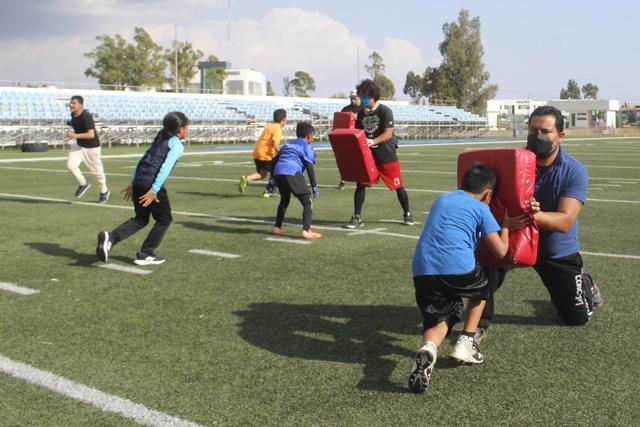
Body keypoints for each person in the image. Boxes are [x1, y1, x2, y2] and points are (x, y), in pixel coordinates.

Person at [476, 105, 603, 344]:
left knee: (577, 318)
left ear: (560, 136)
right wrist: (503, 222)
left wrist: (536, 215)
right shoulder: (512, 162)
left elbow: (565, 221)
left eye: (545, 131)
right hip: (513, 235)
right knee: (485, 263)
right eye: (533, 130)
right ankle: (477, 326)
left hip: (554, 248)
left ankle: (585, 281)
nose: (538, 136)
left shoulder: (573, 171)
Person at [408, 163, 516, 394]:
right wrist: (505, 227)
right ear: (488, 194)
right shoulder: (482, 209)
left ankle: (429, 348)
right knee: (483, 288)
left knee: (439, 318)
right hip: (457, 266)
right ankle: (466, 341)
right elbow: (500, 251)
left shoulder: (442, 200)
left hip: (423, 268)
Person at [96, 112, 188, 266]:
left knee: (141, 218)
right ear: (180, 129)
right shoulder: (176, 144)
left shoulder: (160, 139)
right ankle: (145, 253)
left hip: (140, 181)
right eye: (187, 127)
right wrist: (154, 190)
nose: (188, 131)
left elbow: (143, 159)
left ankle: (111, 238)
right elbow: (164, 169)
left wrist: (134, 182)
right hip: (151, 185)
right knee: (164, 219)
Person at [342, 79, 415, 228]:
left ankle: (407, 214)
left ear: (372, 96)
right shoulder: (361, 113)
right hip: (368, 156)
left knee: (398, 185)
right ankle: (356, 216)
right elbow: (358, 132)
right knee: (360, 184)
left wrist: (372, 141)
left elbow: (388, 134)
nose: (361, 98)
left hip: (385, 155)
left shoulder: (385, 111)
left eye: (363, 95)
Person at [270, 122, 322, 240]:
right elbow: (309, 166)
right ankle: (306, 230)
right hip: (292, 172)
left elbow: (274, 161)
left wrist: (272, 180)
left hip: (279, 172)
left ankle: (277, 227)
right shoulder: (306, 146)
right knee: (307, 202)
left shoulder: (288, 145)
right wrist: (314, 185)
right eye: (312, 135)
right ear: (309, 136)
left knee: (284, 200)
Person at [66, 95, 110, 203]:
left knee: (97, 173)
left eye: (74, 103)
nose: (71, 105)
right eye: (70, 102)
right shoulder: (73, 114)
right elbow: (77, 124)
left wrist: (74, 135)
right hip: (79, 146)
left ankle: (104, 191)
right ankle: (83, 184)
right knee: (70, 166)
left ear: (81, 105)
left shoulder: (86, 116)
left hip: (92, 148)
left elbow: (91, 134)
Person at [239, 109, 286, 197]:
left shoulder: (269, 126)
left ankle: (246, 179)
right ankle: (268, 192)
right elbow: (275, 144)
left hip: (257, 152)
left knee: (262, 174)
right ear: (283, 120)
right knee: (277, 171)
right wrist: (283, 155)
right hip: (265, 154)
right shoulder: (278, 128)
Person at [336, 89, 363, 191]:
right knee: (345, 160)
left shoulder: (364, 109)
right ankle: (343, 181)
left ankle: (365, 180)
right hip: (348, 137)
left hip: (361, 137)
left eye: (354, 98)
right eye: (351, 98)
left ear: (359, 97)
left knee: (362, 160)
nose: (352, 101)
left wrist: (357, 117)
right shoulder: (345, 109)